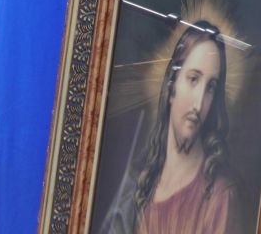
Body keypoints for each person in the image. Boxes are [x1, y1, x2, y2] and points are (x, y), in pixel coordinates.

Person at [101, 21, 243, 234]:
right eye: (193, 79)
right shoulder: (138, 188)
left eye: (210, 88)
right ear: (171, 86)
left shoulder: (219, 197)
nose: (199, 103)